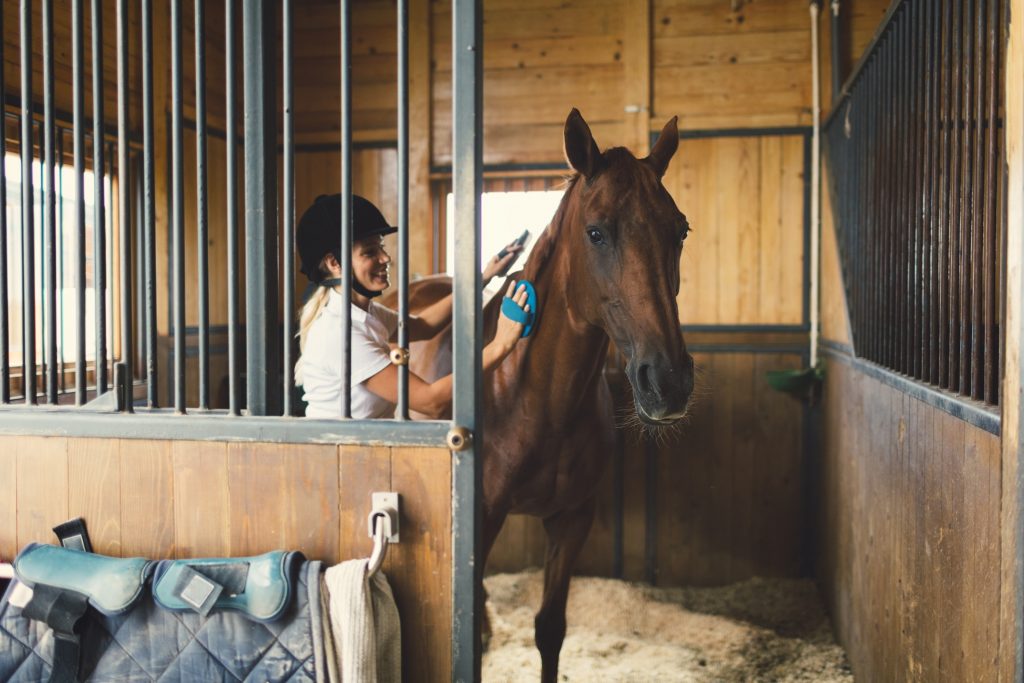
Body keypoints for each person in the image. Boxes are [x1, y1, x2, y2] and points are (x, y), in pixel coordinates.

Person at [294, 193, 529, 419]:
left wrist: (483, 277)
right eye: (369, 252)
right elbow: (431, 402)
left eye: (381, 247)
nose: (385, 258)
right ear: (335, 263)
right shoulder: (340, 335)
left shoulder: (364, 313)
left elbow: (424, 326)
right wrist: (501, 344)